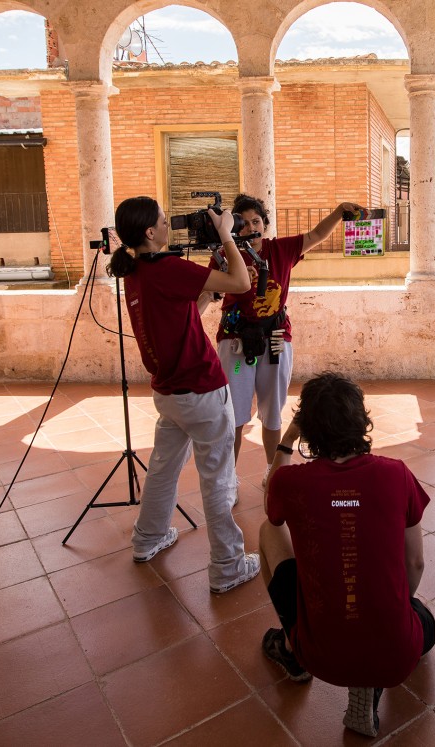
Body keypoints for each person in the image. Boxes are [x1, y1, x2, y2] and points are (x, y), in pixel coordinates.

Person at [257, 372, 435, 738]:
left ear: (307, 428)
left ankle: (291, 650)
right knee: (425, 623)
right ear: (361, 420)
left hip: (320, 652)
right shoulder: (396, 475)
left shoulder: (290, 483)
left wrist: (286, 441)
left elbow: (270, 509)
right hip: (395, 654)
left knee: (267, 531)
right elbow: (415, 564)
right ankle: (370, 679)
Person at [109, 196, 260, 594]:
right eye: (161, 220)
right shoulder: (167, 267)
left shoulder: (137, 270)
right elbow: (243, 284)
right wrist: (227, 235)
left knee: (162, 469)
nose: (166, 225)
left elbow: (188, 309)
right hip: (202, 391)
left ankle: (147, 539)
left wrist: (212, 274)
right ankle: (227, 565)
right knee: (218, 478)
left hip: (170, 392)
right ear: (148, 232)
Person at [209, 194, 364, 486]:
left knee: (272, 412)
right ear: (233, 228)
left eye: (256, 221)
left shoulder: (280, 249)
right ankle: (228, 478)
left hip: (276, 341)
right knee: (235, 416)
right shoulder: (223, 256)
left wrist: (337, 211)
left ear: (265, 225)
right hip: (236, 345)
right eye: (242, 224)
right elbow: (208, 292)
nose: (250, 228)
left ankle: (274, 471)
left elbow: (317, 234)